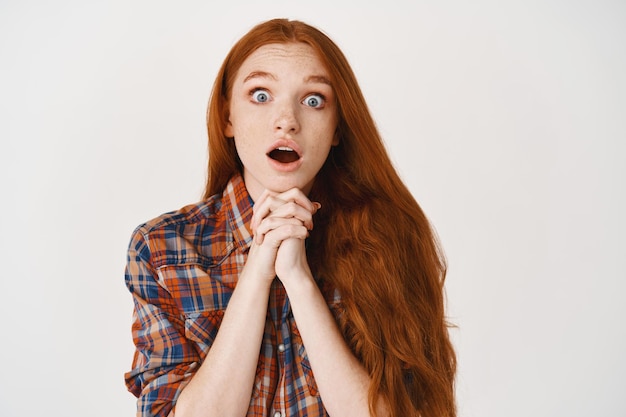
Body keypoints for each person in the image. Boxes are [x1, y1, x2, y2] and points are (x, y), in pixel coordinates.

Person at [124, 18, 456, 417]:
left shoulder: (391, 238)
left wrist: (299, 281)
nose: (287, 120)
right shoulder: (162, 248)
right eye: (261, 95)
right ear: (228, 117)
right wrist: (257, 272)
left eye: (314, 100)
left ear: (337, 128)